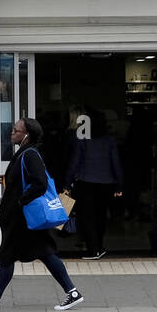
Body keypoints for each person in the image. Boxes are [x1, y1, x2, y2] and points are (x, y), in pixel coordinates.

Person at [0, 117, 83, 312]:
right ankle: (72, 292)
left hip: (23, 219)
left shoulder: (29, 155)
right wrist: (7, 181)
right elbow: (25, 181)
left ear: (26, 135)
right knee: (45, 252)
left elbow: (40, 183)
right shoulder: (25, 154)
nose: (12, 133)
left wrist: (20, 201)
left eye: (16, 130)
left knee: (7, 255)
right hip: (24, 218)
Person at [64, 108, 123, 260]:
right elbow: (115, 162)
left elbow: (74, 162)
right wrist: (119, 184)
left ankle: (93, 249)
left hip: (85, 182)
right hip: (106, 183)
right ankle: (99, 246)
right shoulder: (109, 140)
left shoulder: (82, 140)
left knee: (87, 217)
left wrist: (66, 182)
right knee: (101, 216)